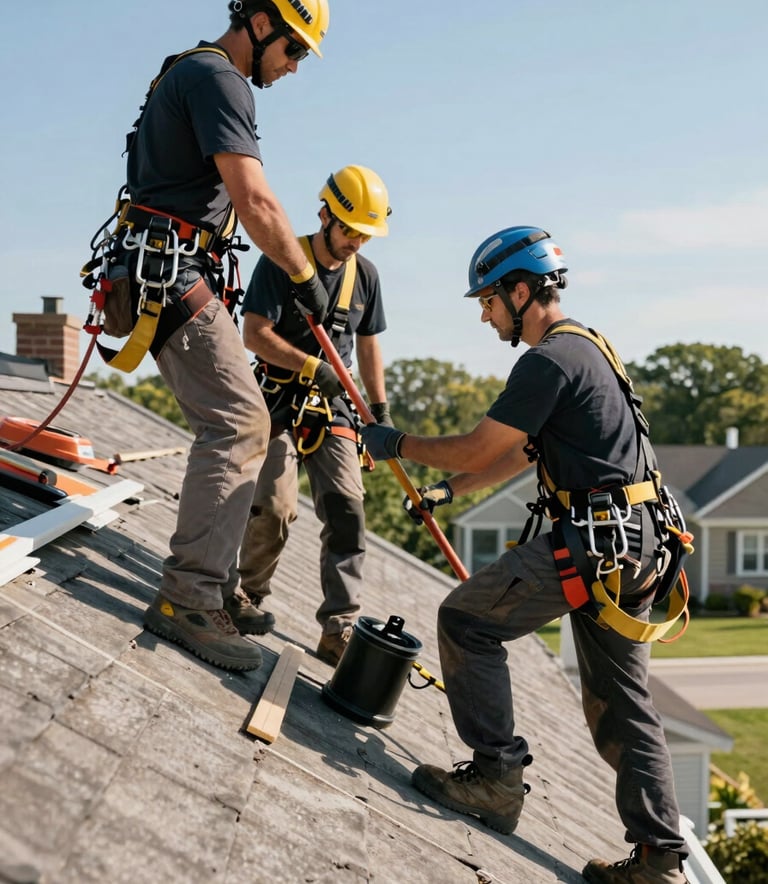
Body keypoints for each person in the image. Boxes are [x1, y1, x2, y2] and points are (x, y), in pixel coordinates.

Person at [361, 226, 691, 883]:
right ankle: (661, 861)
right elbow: (514, 452)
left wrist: (394, 444)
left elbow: (480, 444)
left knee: (466, 620)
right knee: (623, 707)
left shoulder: (547, 360)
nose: (485, 316)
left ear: (521, 290)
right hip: (643, 543)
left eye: (488, 301)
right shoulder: (589, 348)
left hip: (600, 541)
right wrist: (448, 489)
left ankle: (496, 779)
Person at [86, 0, 333, 673]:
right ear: (260, 23)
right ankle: (190, 599)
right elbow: (255, 202)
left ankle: (212, 581)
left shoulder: (185, 69)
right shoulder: (220, 79)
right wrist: (305, 275)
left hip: (158, 269)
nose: (293, 67)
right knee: (241, 423)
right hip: (170, 273)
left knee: (236, 422)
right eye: (294, 50)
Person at [238, 165, 392, 666]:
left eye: (365, 234)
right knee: (276, 507)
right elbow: (254, 334)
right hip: (280, 397)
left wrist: (379, 410)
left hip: (334, 405)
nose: (356, 242)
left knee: (348, 509)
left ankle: (339, 627)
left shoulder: (364, 276)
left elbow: (368, 347)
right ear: (324, 214)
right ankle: (247, 594)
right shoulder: (282, 260)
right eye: (349, 230)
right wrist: (309, 364)